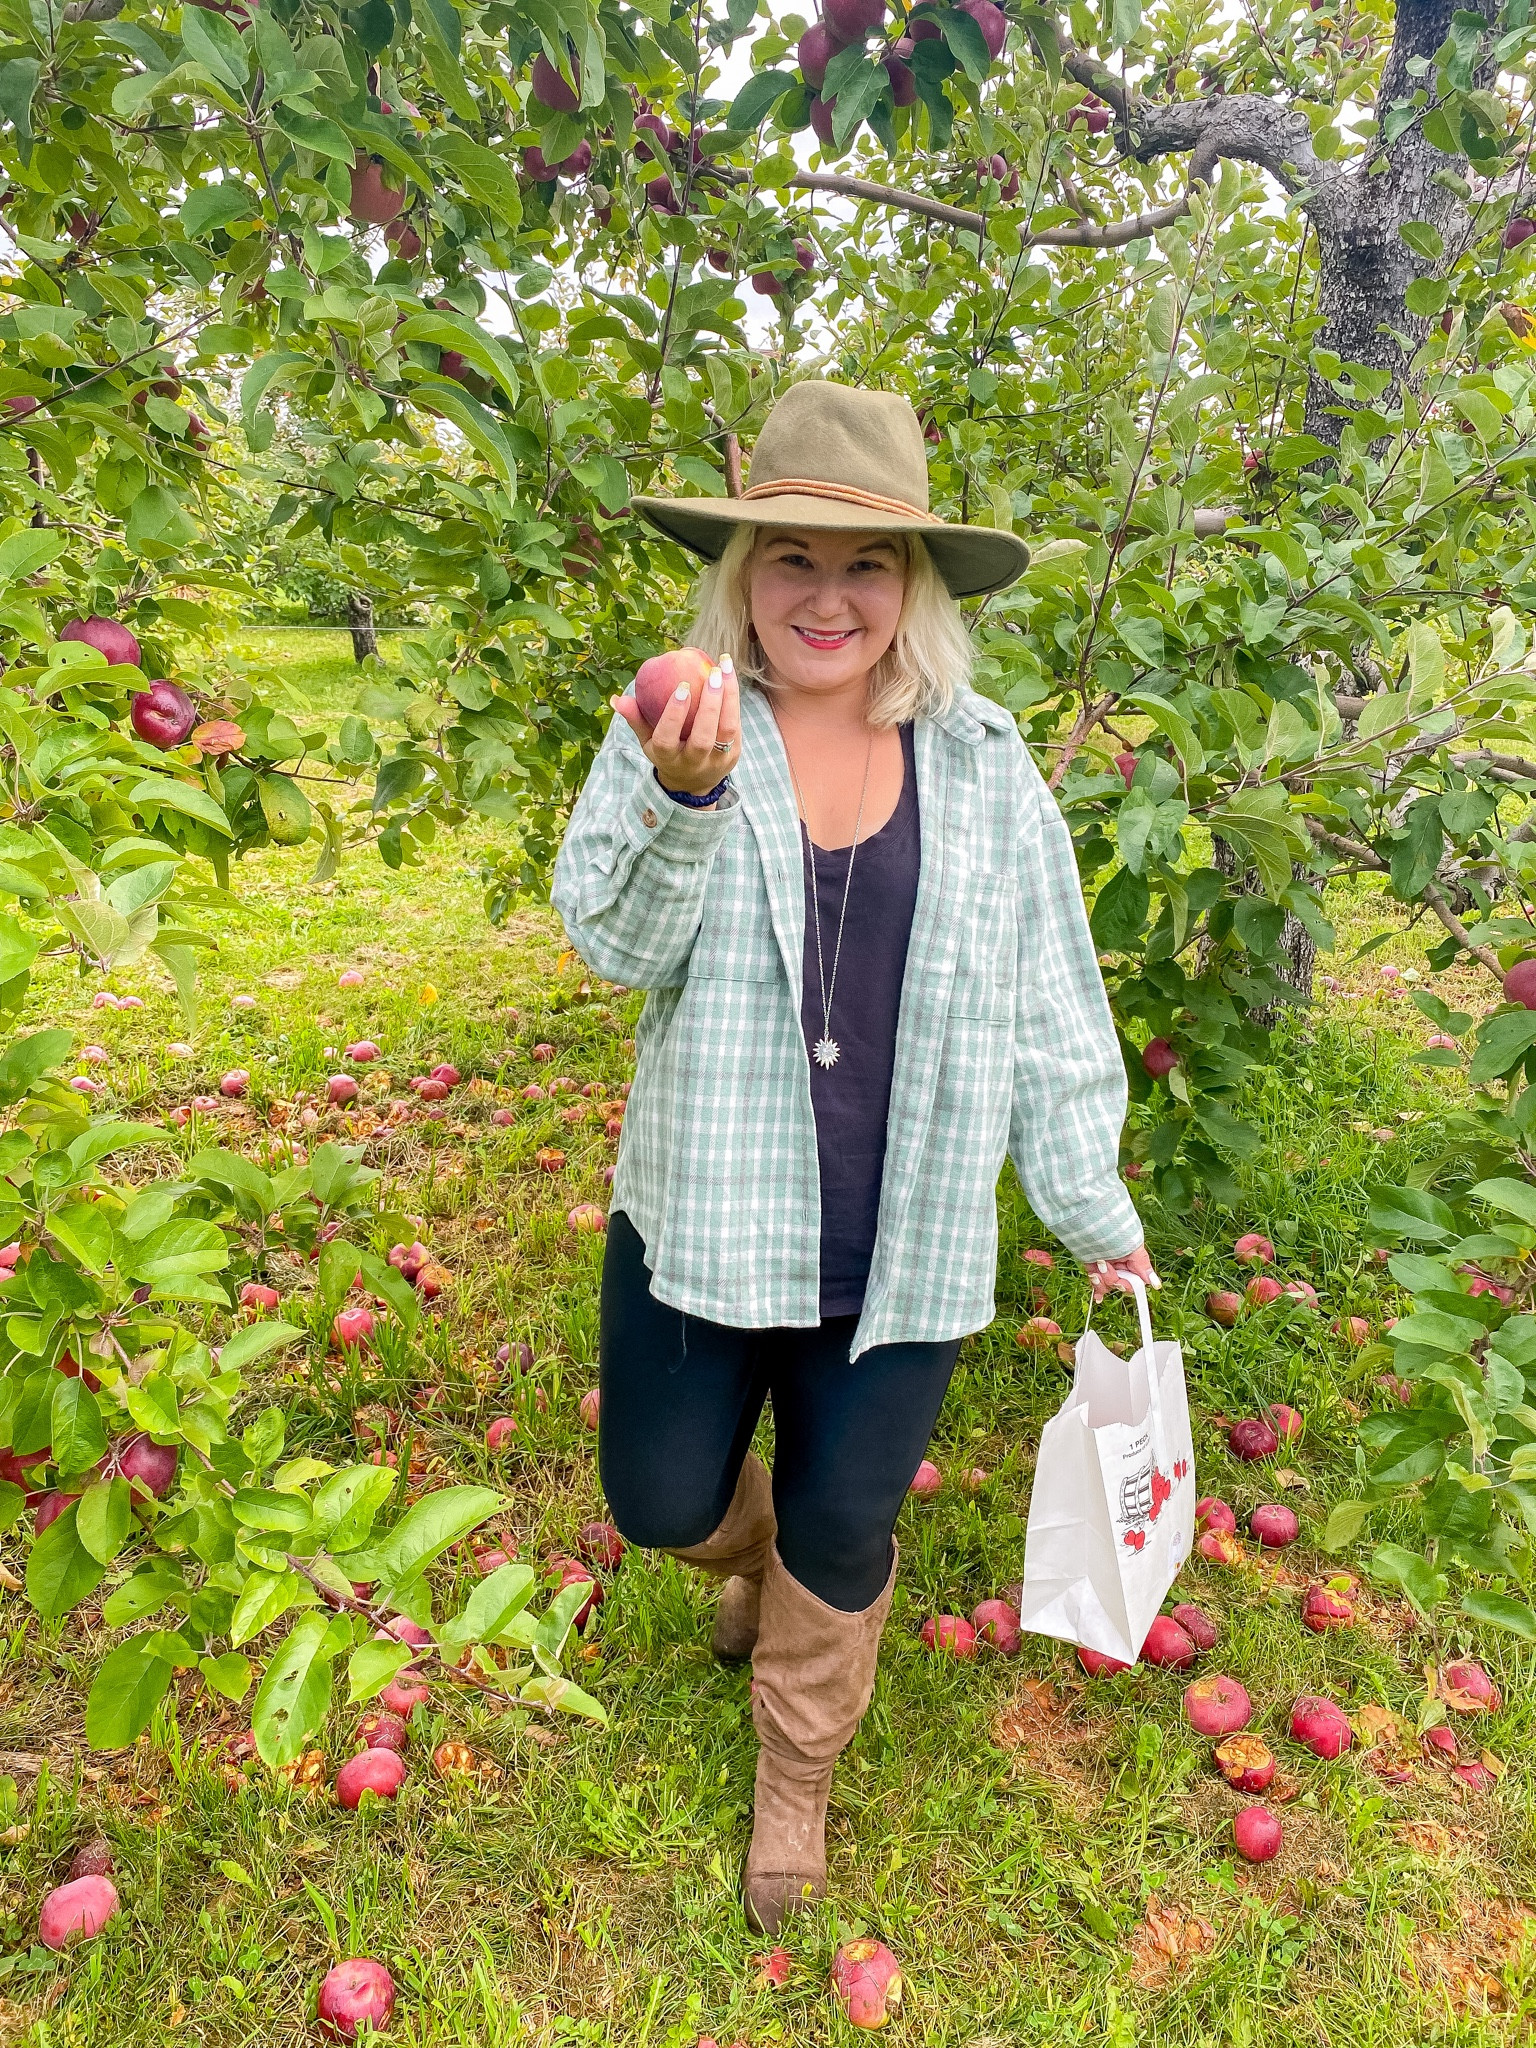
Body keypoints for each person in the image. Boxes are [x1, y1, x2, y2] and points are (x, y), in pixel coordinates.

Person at [552, 378, 1155, 1933]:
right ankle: (741, 1564)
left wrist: (1091, 1204)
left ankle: (798, 1773)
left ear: (919, 590)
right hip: (707, 1210)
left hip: (907, 1236)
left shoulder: (984, 766)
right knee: (662, 1499)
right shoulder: (680, 723)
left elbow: (1049, 997)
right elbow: (612, 944)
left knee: (844, 1521)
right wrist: (683, 804)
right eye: (792, 558)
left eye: (867, 565)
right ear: (743, 574)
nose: (829, 595)